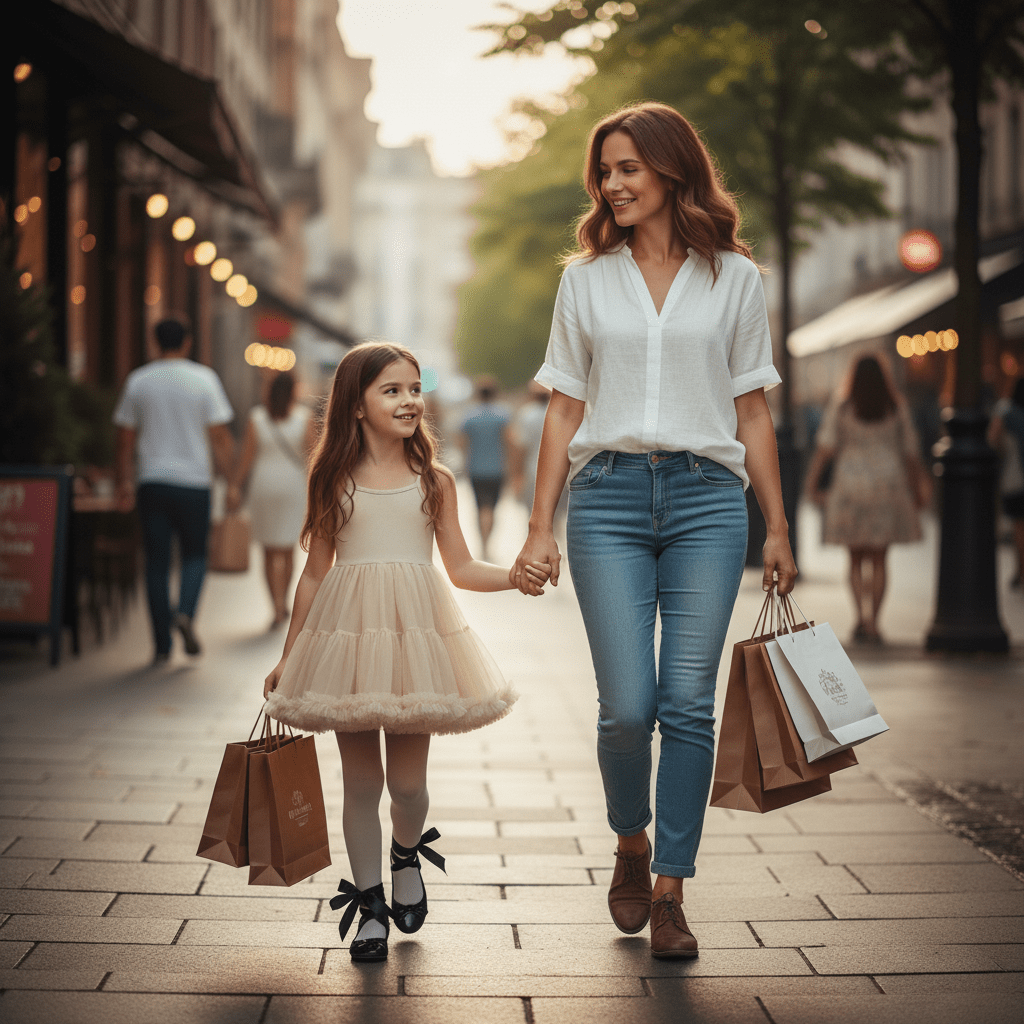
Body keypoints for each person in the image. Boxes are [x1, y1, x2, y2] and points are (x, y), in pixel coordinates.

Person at [511, 102, 797, 960]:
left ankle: (671, 887)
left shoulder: (737, 279)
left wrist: (776, 527)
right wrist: (538, 526)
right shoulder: (585, 279)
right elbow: (564, 407)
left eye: (629, 167)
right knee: (627, 708)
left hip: (711, 500)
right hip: (608, 498)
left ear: (673, 170)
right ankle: (629, 841)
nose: (613, 183)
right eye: (605, 171)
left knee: (687, 703)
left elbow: (752, 409)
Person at [262, 342, 550, 964]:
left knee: (409, 786)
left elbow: (462, 566)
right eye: (391, 390)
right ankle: (369, 905)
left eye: (414, 388)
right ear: (356, 406)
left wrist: (515, 576)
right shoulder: (331, 479)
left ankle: (405, 853)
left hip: (416, 637)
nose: (409, 400)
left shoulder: (435, 481)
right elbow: (313, 574)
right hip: (348, 642)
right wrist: (292, 655)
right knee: (361, 782)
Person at [113, 315, 234, 663]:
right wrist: (230, 482)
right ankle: (185, 613)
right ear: (187, 343)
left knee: (156, 562)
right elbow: (220, 437)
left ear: (155, 343)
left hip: (151, 481)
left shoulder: (139, 381)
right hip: (195, 483)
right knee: (196, 554)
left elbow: (124, 439)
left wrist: (122, 481)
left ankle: (162, 644)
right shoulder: (204, 379)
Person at [804, 354, 931, 642]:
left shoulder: (844, 405)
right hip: (888, 486)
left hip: (850, 487)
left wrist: (811, 484)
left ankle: (860, 617)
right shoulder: (896, 407)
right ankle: (875, 621)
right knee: (880, 559)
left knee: (855, 559)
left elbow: (825, 447)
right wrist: (919, 487)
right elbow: (911, 452)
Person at [227, 371, 317, 628]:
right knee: (288, 547)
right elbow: (312, 457)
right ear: (293, 391)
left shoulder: (257, 417)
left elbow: (247, 457)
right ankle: (284, 601)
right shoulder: (303, 417)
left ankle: (275, 606)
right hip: (292, 485)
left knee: (268, 550)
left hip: (263, 485)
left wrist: (235, 486)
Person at [458, 376, 512, 558]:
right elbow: (509, 442)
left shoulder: (469, 416)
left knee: (480, 507)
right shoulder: (502, 415)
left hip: (476, 469)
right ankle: (487, 544)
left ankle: (483, 544)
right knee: (492, 508)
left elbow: (462, 443)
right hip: (497, 469)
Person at [988, 377, 1024, 588]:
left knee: (1019, 527)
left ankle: (1021, 571)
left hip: (1015, 478)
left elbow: (993, 440)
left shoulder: (1006, 411)